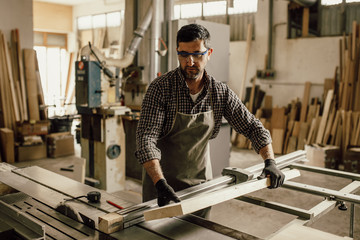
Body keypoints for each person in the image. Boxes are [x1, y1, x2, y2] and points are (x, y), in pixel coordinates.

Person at [135, 23, 285, 213]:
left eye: (197, 54)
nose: (190, 61)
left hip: (200, 187)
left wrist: (270, 162)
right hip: (161, 187)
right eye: (183, 54)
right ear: (177, 53)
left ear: (209, 53)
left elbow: (252, 127)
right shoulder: (161, 89)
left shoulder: (219, 93)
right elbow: (146, 138)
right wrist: (159, 182)